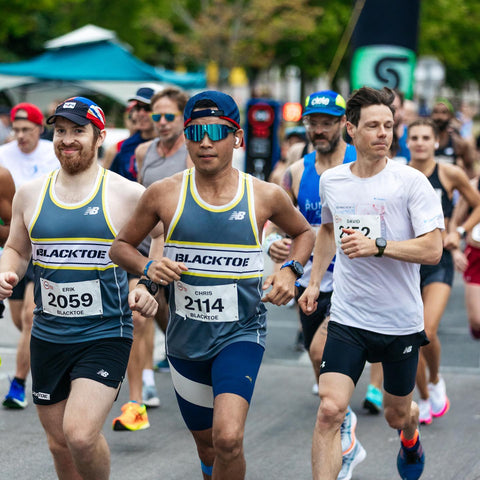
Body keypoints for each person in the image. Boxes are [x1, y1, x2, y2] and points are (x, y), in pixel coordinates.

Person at [109, 90, 315, 479]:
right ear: (186, 137)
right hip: (186, 339)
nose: (205, 141)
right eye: (196, 131)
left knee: (228, 439)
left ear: (237, 137)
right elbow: (119, 247)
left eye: (216, 132)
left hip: (241, 332)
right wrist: (149, 266)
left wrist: (290, 270)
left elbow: (305, 233)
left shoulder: (263, 195)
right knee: (207, 445)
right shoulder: (164, 193)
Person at [0, 96, 158, 479]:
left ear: (99, 136)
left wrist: (149, 282)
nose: (67, 140)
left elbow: (164, 230)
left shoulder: (125, 193)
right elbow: (17, 249)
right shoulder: (31, 193)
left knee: (81, 435)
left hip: (105, 333)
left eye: (78, 131)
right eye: (60, 131)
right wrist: (7, 272)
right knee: (59, 443)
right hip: (49, 334)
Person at [298, 87, 444, 480]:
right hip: (348, 317)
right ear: (351, 130)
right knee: (330, 409)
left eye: (389, 126)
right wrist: (313, 283)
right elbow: (327, 231)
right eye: (374, 126)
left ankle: (410, 436)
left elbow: (433, 250)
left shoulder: (411, 182)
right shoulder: (333, 181)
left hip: (399, 323)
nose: (384, 133)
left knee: (397, 415)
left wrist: (379, 246)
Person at [265, 89, 362, 479]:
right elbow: (276, 218)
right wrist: (275, 244)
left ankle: (343, 428)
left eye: (327, 122)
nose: (319, 130)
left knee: (323, 345)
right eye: (313, 122)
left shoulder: (362, 164)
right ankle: (345, 426)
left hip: (356, 279)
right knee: (317, 359)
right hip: (311, 280)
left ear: (344, 124)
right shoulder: (297, 170)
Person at [111, 87, 192, 429]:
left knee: (181, 325)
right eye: (155, 116)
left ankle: (198, 381)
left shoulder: (194, 152)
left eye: (168, 116)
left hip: (186, 253)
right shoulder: (144, 152)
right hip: (149, 248)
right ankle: (136, 402)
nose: (159, 122)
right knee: (138, 313)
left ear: (183, 118)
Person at [407, 118, 480, 425]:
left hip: (439, 261)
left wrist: (460, 231)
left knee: (426, 332)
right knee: (409, 336)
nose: (421, 142)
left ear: (436, 142)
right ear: (407, 142)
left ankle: (435, 380)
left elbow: (477, 204)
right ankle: (423, 397)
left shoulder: (449, 172)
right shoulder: (399, 174)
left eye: (426, 137)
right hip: (406, 262)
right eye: (415, 137)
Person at [0, 102, 59, 409]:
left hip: (45, 245)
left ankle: (19, 384)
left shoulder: (53, 153)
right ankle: (49, 354)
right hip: (15, 245)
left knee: (29, 318)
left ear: (40, 128)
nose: (20, 135)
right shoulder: (4, 155)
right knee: (18, 317)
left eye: (27, 129)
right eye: (16, 129)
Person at [450, 176, 480, 340]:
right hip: (476, 255)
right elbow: (455, 222)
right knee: (477, 321)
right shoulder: (474, 185)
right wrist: (455, 251)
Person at [109, 84, 159, 180]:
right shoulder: (126, 146)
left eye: (147, 108)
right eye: (138, 108)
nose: (141, 113)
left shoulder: (170, 144)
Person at [431, 98, 476, 178]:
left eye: (444, 112)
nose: (439, 116)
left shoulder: (458, 143)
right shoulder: (424, 141)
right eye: (436, 112)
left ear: (451, 116)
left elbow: (470, 170)